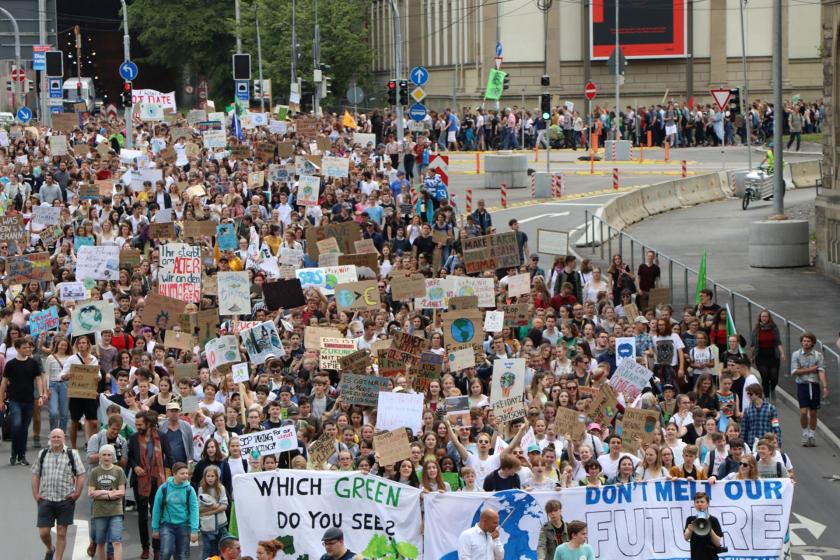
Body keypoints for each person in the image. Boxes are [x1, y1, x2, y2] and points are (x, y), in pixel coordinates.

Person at [31, 428, 86, 560]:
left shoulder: (72, 454)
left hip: (65, 499)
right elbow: (35, 475)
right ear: (50, 438)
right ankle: (50, 548)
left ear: (64, 438)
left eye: (58, 437)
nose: (56, 439)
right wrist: (36, 494)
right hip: (46, 498)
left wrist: (77, 493)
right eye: (53, 437)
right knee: (44, 532)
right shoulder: (43, 453)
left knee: (61, 532)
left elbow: (81, 475)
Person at [128, 411, 172, 559]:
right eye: (136, 424)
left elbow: (170, 457)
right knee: (142, 516)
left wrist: (168, 478)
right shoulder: (133, 438)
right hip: (140, 481)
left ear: (148, 424)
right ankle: (145, 548)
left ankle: (157, 549)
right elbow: (130, 457)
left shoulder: (161, 437)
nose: (137, 427)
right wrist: (135, 467)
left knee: (156, 515)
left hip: (158, 481)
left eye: (140, 424)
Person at [0, 337, 45, 465]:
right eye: (24, 347)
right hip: (14, 400)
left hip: (29, 400)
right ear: (17, 349)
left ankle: (22, 455)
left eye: (29, 347)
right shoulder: (10, 364)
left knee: (24, 429)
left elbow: (38, 379)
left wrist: (41, 396)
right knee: (16, 426)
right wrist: (1, 400)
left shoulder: (32, 363)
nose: (28, 349)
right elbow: (3, 383)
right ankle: (15, 452)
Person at [151, 461, 200, 560]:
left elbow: (194, 510)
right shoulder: (164, 488)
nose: (185, 476)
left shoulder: (190, 490)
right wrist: (155, 528)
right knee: (166, 552)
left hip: (184, 525)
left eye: (186, 473)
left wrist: (194, 530)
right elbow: (156, 508)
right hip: (167, 525)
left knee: (182, 556)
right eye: (182, 473)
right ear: (174, 474)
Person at [88, 444, 126, 560]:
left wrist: (100, 493)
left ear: (113, 456)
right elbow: (91, 493)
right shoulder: (95, 472)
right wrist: (109, 494)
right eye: (104, 454)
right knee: (100, 542)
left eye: (109, 455)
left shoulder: (118, 471)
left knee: (116, 541)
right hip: (99, 512)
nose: (106, 457)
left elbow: (121, 492)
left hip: (116, 511)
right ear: (100, 456)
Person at [790, 332, 828, 447]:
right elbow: (794, 371)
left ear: (812, 343)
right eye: (804, 341)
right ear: (801, 342)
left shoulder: (818, 356)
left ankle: (812, 434)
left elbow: (821, 371)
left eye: (808, 341)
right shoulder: (796, 354)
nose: (806, 343)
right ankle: (805, 433)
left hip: (814, 385)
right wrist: (812, 369)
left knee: (813, 412)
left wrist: (825, 386)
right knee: (803, 412)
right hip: (802, 385)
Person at [683, 492, 723, 560]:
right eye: (697, 502)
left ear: (707, 504)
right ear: (694, 504)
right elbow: (686, 537)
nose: (699, 504)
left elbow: (718, 543)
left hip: (711, 556)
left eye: (702, 502)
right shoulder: (690, 519)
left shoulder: (713, 520)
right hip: (696, 556)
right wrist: (690, 530)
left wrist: (709, 528)